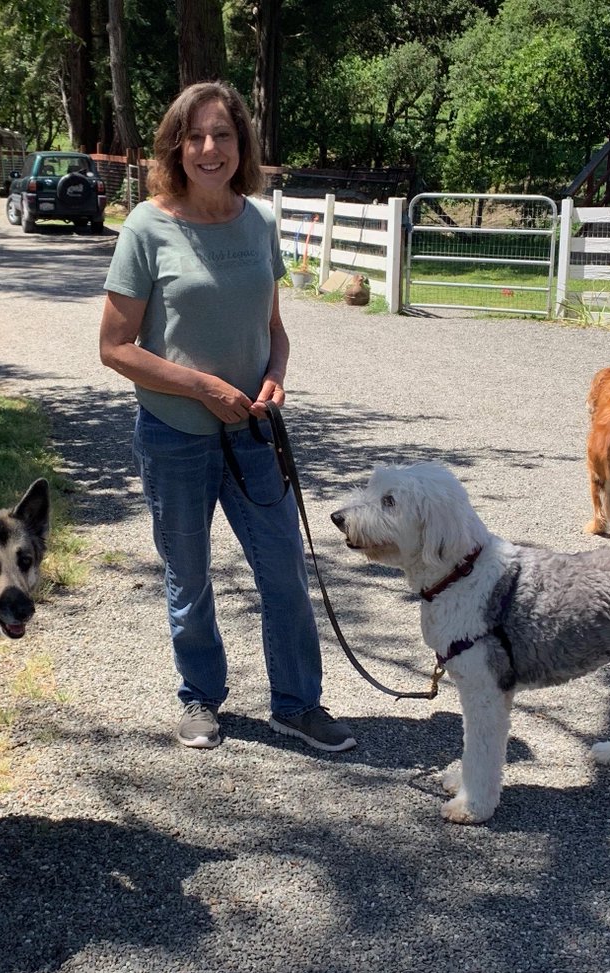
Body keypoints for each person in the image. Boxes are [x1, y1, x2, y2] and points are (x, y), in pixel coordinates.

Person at [98, 81, 357, 754]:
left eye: (224, 135)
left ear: (242, 145)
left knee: (285, 570)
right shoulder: (146, 227)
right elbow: (114, 347)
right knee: (188, 573)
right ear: (176, 146)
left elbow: (275, 328)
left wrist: (275, 377)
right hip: (173, 434)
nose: (210, 148)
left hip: (251, 433)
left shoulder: (258, 222)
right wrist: (201, 386)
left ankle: (297, 703)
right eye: (196, 136)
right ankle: (199, 697)